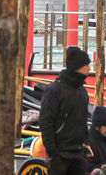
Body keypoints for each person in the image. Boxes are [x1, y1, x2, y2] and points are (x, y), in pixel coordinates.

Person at [40, 46, 92, 175]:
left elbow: (83, 119)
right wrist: (53, 153)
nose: (89, 68)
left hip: (78, 154)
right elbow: (45, 122)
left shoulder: (82, 91)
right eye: (86, 64)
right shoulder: (54, 90)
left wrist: (86, 142)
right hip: (60, 155)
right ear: (77, 66)